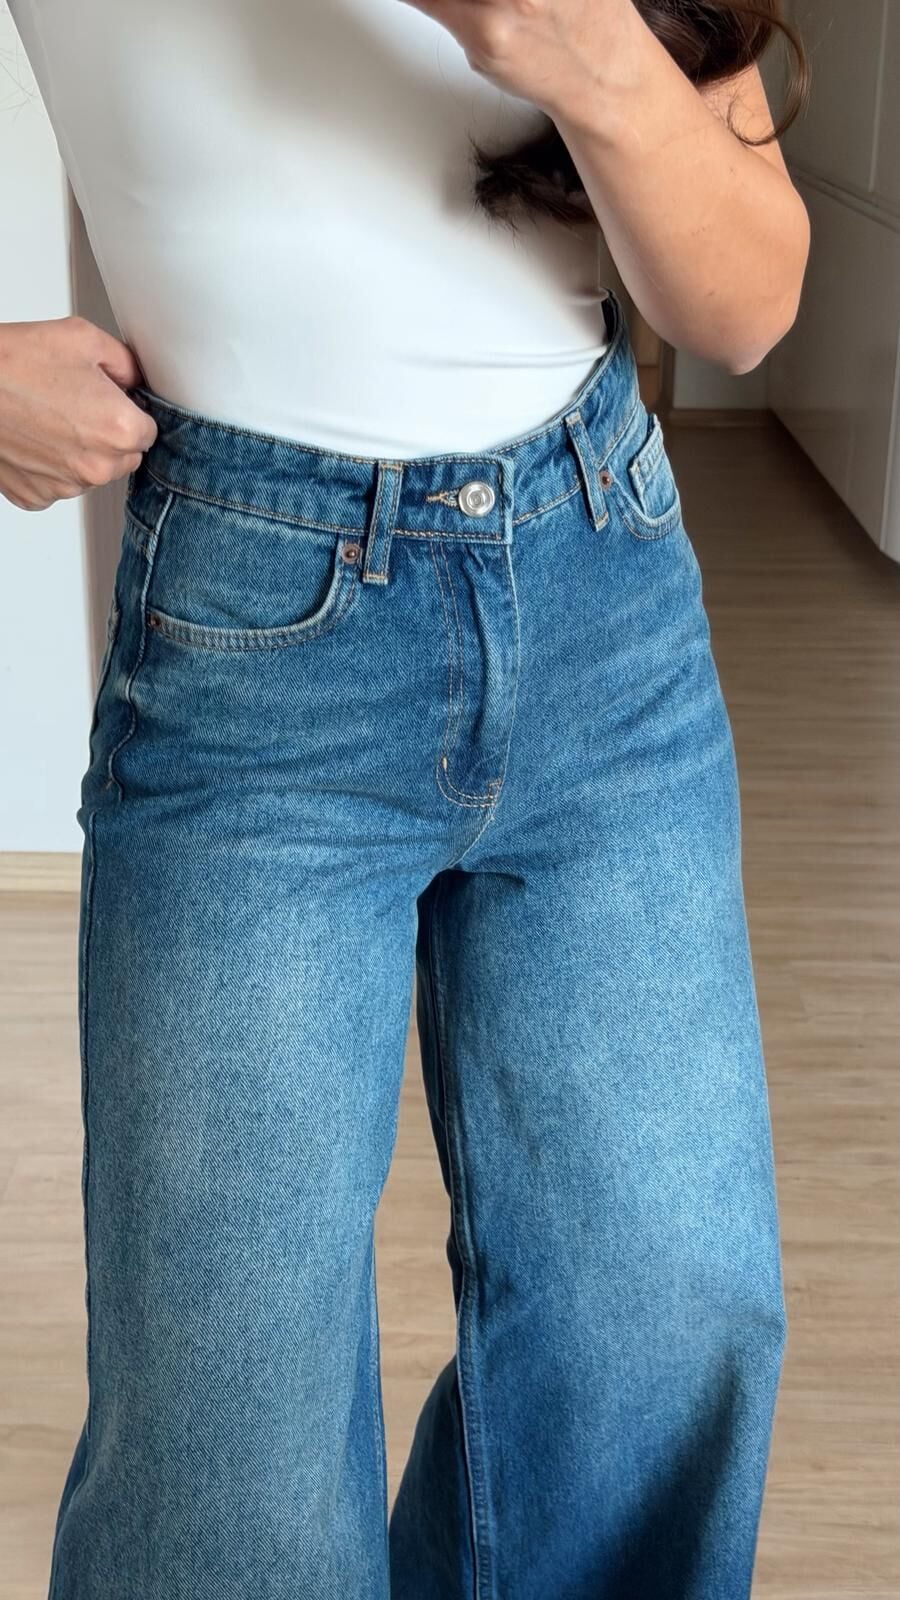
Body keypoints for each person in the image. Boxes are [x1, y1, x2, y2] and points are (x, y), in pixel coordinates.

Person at [3, 2, 811, 1596]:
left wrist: (570, 43)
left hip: (603, 580)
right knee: (228, 1485)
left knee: (664, 1326)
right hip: (255, 636)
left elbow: (749, 300)